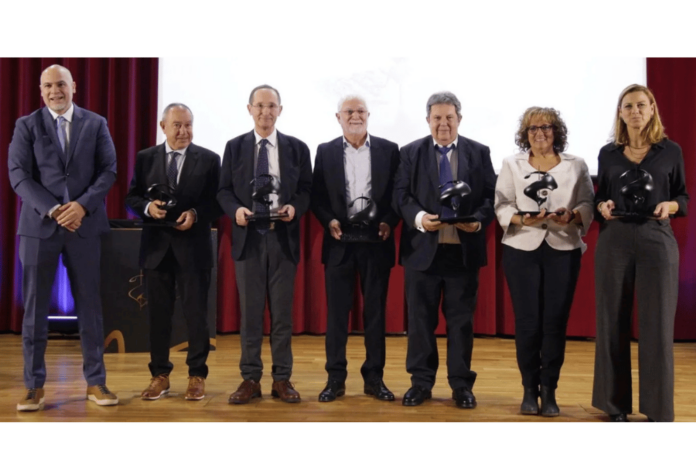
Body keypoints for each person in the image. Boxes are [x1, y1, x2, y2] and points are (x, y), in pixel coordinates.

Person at [8, 64, 118, 411]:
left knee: (90, 307)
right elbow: (18, 175)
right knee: (35, 309)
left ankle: (96, 382)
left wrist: (82, 206)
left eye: (61, 84)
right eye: (48, 86)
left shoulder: (96, 123)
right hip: (39, 227)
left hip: (85, 225)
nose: (55, 91)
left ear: (74, 86)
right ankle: (33, 386)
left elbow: (108, 170)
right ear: (41, 91)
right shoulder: (26, 125)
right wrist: (54, 209)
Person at [393, 91, 496, 408]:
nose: (443, 124)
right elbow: (401, 195)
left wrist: (477, 222)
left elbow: (490, 196)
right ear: (428, 120)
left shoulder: (479, 152)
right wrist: (420, 219)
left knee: (461, 323)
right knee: (420, 323)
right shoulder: (410, 152)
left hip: (462, 253)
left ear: (459, 119)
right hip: (423, 251)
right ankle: (421, 383)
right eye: (437, 118)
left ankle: (461, 385)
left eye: (449, 117)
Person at [592, 84, 688, 422]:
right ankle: (614, 405)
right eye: (629, 106)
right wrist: (601, 205)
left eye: (641, 105)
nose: (635, 111)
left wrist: (669, 205)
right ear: (620, 113)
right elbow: (599, 196)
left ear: (652, 110)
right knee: (611, 321)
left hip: (656, 237)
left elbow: (683, 198)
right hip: (614, 238)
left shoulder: (670, 151)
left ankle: (657, 408)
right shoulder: (608, 153)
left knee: (657, 324)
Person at [494, 107, 594, 416]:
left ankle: (549, 390)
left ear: (556, 131)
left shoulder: (576, 165)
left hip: (562, 248)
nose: (540, 133)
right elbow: (502, 204)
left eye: (547, 127)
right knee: (527, 322)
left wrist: (571, 215)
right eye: (533, 128)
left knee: (555, 322)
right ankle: (529, 389)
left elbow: (587, 203)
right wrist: (523, 218)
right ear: (525, 134)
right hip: (521, 248)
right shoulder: (511, 164)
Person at [217, 85, 312, 404]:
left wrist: (295, 207)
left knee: (282, 315)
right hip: (249, 240)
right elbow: (223, 191)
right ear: (250, 109)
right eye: (259, 106)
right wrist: (236, 211)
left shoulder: (297, 148)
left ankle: (282, 378)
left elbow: (307, 190)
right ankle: (250, 378)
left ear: (280, 110)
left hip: (282, 239)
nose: (265, 112)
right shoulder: (234, 147)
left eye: (271, 106)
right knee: (250, 315)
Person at [125, 103, 221, 401]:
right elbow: (132, 196)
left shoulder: (209, 159)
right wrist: (146, 208)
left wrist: (195, 214)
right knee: (158, 316)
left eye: (188, 124)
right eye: (177, 125)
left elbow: (217, 202)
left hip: (193, 248)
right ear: (163, 126)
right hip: (156, 249)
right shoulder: (145, 158)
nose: (184, 131)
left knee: (196, 315)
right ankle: (160, 375)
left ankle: (197, 375)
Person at [311, 95, 400, 402]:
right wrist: (329, 221)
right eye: (349, 111)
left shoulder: (390, 150)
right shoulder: (325, 151)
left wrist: (389, 221)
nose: (355, 116)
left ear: (369, 114)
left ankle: (374, 379)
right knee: (337, 316)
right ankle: (335, 379)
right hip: (340, 242)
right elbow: (317, 197)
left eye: (360, 110)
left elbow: (398, 194)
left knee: (375, 314)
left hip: (376, 241)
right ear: (338, 117)